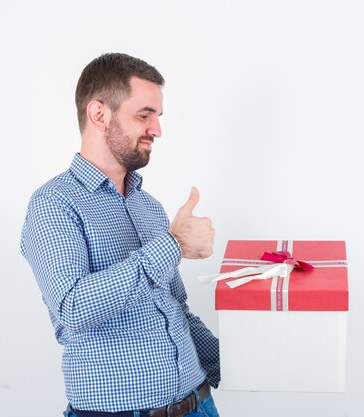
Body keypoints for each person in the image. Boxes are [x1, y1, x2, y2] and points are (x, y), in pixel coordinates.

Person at [20, 53, 220, 417]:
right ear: (99, 114)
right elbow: (73, 309)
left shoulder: (149, 207)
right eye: (145, 115)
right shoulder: (53, 204)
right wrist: (172, 244)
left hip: (200, 405)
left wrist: (247, 365)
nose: (157, 130)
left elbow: (175, 309)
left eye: (158, 117)